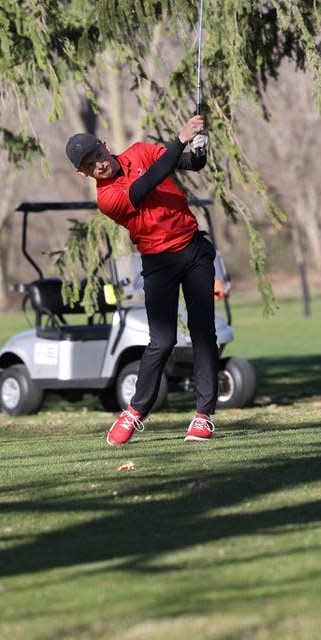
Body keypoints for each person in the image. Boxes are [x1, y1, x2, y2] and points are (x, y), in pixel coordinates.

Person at [66, 114, 219, 444]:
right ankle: (134, 411)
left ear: (105, 146)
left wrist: (199, 147)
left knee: (203, 332)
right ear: (84, 172)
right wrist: (180, 138)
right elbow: (145, 186)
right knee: (162, 342)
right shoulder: (107, 199)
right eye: (91, 165)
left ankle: (203, 417)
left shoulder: (141, 151)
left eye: (98, 155)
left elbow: (187, 163)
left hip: (193, 250)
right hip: (158, 263)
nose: (100, 164)